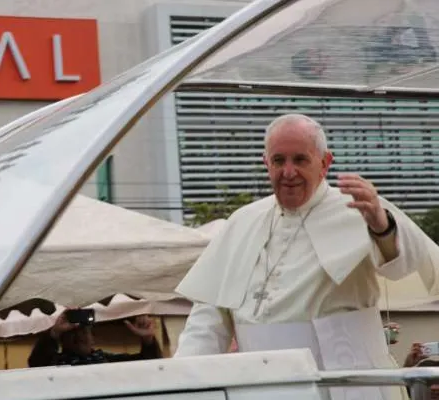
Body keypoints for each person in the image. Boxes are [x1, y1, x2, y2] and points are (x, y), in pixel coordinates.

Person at [174, 114, 439, 400]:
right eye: (279, 160)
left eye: (300, 160)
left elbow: (407, 264)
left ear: (325, 163)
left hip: (346, 388)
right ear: (266, 163)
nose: (288, 172)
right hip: (260, 389)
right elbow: (207, 321)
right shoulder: (241, 222)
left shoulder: (360, 208)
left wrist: (381, 227)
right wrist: (179, 383)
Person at [27, 311, 162, 367]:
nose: (81, 337)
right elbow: (36, 362)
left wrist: (147, 338)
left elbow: (149, 366)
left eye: (86, 333)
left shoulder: (105, 360)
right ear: (62, 340)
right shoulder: (55, 363)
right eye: (73, 334)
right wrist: (54, 332)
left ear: (93, 339)